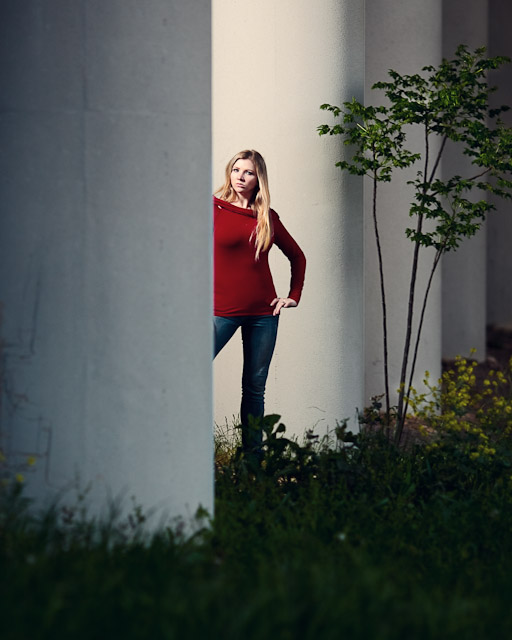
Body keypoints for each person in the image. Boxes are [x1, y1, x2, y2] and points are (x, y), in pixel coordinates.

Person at [213, 149, 306, 457]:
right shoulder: (212, 209)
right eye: (236, 170)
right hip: (220, 311)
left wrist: (293, 296)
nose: (240, 177)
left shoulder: (266, 216)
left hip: (263, 314)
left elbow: (297, 256)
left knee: (254, 388)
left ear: (258, 179)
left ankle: (253, 461)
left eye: (248, 172)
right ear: (229, 173)